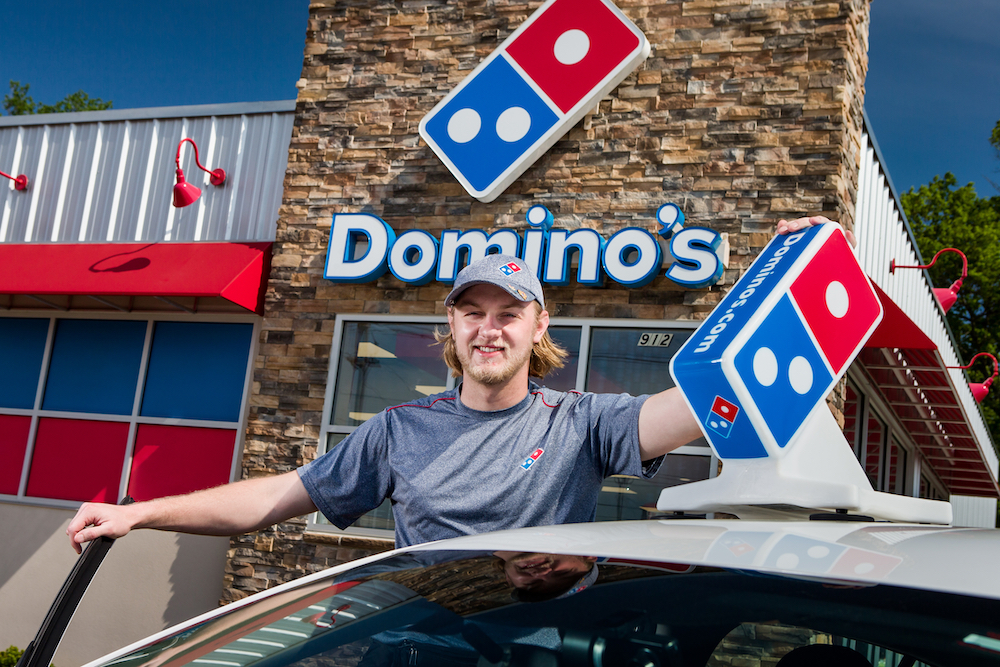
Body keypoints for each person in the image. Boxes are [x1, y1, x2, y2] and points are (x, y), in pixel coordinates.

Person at [67, 216, 836, 553]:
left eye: (509, 313)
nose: (488, 328)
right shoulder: (399, 430)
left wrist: (777, 283)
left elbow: (700, 405)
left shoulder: (581, 423)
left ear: (540, 329)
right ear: (452, 330)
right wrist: (137, 514)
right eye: (472, 313)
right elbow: (270, 500)